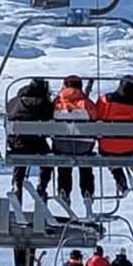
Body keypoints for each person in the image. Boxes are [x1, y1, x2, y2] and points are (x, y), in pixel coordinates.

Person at [44, 76, 96, 211]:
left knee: (63, 163)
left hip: (61, 144)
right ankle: (87, 191)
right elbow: (96, 119)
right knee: (86, 164)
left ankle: (64, 190)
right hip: (84, 145)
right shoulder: (87, 103)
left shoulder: (57, 103)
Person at [95, 75, 133, 199]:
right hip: (130, 147)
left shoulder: (106, 99)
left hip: (107, 146)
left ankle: (119, 178)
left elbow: (96, 117)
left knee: (111, 154)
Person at [6, 78, 53, 203]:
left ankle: (17, 183)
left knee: (20, 157)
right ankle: (42, 186)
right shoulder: (44, 103)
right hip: (36, 141)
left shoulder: (14, 102)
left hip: (17, 142)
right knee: (48, 158)